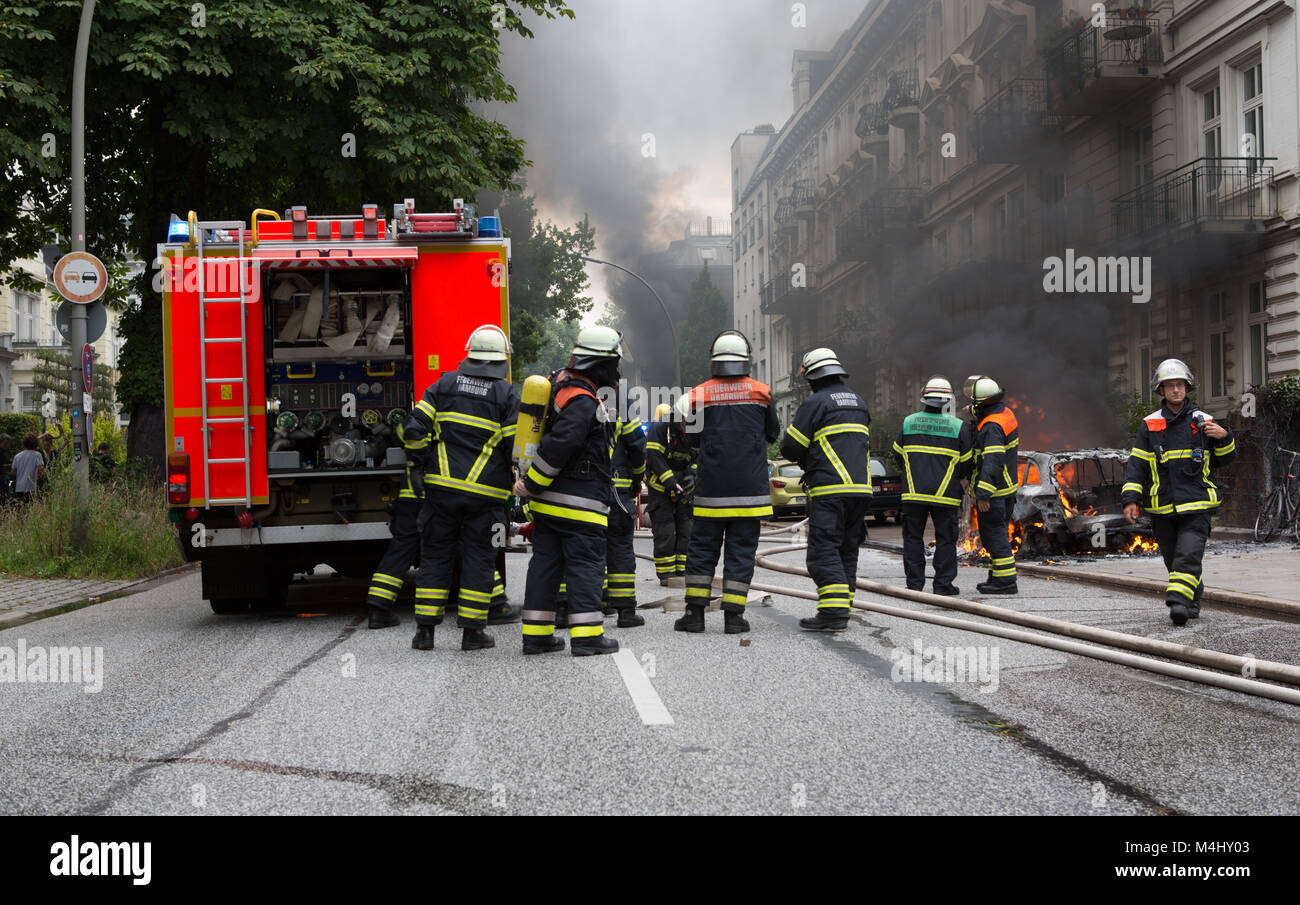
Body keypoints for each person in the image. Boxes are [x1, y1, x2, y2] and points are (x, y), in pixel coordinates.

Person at [403, 325, 519, 652]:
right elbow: (516, 446)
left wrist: (418, 465)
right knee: (480, 559)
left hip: (440, 492)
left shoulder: (444, 384)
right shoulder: (507, 395)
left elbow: (414, 430)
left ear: (469, 354)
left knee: (435, 556)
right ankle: (472, 633)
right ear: (501, 361)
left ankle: (424, 633)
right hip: (487, 497)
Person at [514, 326, 623, 656]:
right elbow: (561, 445)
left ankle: (537, 636)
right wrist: (532, 483)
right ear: (599, 363)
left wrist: (533, 487)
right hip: (579, 505)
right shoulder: (581, 400)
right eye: (613, 363)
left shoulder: (561, 386)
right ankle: (588, 638)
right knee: (585, 567)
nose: (616, 371)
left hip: (550, 506)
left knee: (545, 567)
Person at [676, 330, 780, 635]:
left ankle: (694, 615)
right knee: (741, 552)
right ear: (745, 361)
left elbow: (692, 438)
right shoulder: (762, 393)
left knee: (701, 551)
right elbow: (772, 434)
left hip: (711, 493)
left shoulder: (699, 394)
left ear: (714, 362)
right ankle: (734, 617)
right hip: (750, 493)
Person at [1121, 359, 1235, 626]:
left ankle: (1178, 603)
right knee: (1173, 560)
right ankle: (1193, 597)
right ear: (1161, 390)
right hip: (1162, 508)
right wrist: (1131, 499)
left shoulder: (1204, 422)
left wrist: (1224, 437)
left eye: (1180, 385)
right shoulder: (1150, 425)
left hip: (1197, 505)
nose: (1176, 390)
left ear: (1187, 388)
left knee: (1187, 555)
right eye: (1170, 386)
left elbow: (1224, 460)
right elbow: (1137, 465)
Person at [779, 348, 873, 631]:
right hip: (861, 490)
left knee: (823, 550)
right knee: (847, 549)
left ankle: (833, 612)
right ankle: (843, 607)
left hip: (830, 489)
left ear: (812, 377)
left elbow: (790, 448)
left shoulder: (815, 403)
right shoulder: (859, 402)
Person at [892, 376, 974, 596]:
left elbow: (897, 454)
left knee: (912, 538)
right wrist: (956, 478)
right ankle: (943, 585)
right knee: (946, 539)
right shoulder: (958, 426)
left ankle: (914, 585)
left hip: (913, 492)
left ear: (924, 398)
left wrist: (912, 472)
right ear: (947, 400)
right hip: (946, 495)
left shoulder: (909, 422)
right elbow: (967, 462)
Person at [964, 375, 1021, 595]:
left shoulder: (991, 428)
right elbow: (984, 411)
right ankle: (996, 578)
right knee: (996, 534)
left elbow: (992, 460)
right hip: (1007, 489)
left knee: (993, 537)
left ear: (983, 402)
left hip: (994, 492)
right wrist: (972, 409)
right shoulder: (1004, 413)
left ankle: (1006, 582)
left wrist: (983, 494)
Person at [644, 398, 696, 584]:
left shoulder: (692, 429)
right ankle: (666, 575)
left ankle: (683, 572)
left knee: (686, 529)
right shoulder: (660, 429)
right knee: (665, 531)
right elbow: (654, 458)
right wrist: (672, 483)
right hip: (661, 490)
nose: (686, 425)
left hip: (684, 489)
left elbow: (698, 456)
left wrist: (692, 475)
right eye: (684, 421)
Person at [604, 414, 647, 627]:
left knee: (580, 550)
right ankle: (625, 612)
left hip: (581, 491)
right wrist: (637, 478)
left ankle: (567, 608)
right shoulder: (620, 405)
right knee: (620, 549)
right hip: (618, 492)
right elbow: (638, 448)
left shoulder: (568, 396)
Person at [9, 433, 45, 505]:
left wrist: (21, 473)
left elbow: (12, 472)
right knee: (30, 508)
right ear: (36, 443)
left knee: (21, 508)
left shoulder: (17, 456)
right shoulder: (37, 455)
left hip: (19, 487)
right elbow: (40, 471)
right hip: (31, 487)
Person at [0, 433, 12, 501]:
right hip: (2, 477)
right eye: (6, 443)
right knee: (5, 497)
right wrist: (10, 465)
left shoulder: (4, 451)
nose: (8, 446)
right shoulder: (1, 452)